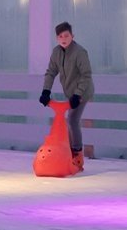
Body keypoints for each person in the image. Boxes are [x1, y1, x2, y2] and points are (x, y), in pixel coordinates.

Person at [39, 22, 93, 171]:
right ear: (57, 38)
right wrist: (46, 91)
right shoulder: (56, 52)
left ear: (72, 36)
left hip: (83, 91)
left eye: (66, 35)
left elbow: (86, 75)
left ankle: (77, 153)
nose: (64, 38)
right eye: (60, 36)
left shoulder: (79, 52)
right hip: (70, 92)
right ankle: (69, 150)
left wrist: (77, 94)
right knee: (69, 120)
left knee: (72, 119)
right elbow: (51, 72)